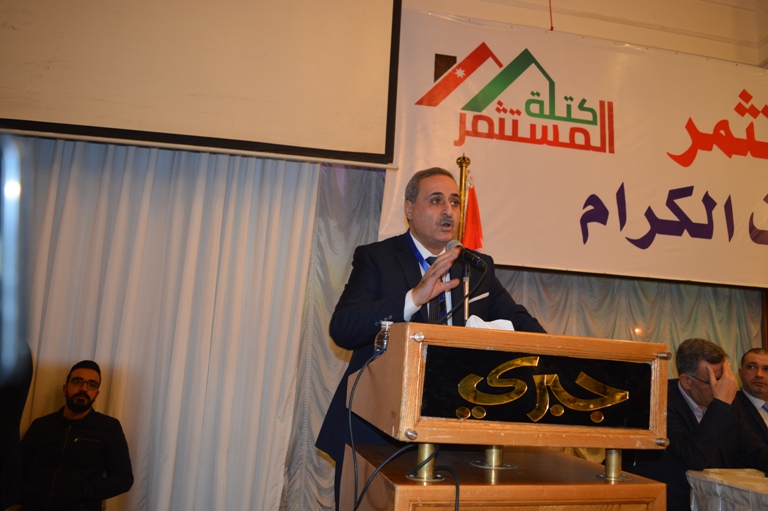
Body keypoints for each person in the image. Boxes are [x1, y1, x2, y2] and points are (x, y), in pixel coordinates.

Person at [316, 167, 546, 509]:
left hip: (453, 431)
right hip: (377, 430)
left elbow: (521, 322)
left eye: (454, 202)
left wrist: (560, 350)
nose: (448, 211)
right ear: (409, 209)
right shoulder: (377, 258)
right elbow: (344, 328)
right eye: (436, 201)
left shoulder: (476, 267)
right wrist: (413, 298)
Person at [623, 338, 768, 511]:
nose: (721, 387)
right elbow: (694, 457)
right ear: (686, 381)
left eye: (723, 378)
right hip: (671, 501)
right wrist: (720, 405)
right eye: (712, 381)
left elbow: (754, 450)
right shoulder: (658, 400)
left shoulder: (730, 401)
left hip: (716, 499)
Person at [19, 360, 133, 511]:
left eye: (92, 384)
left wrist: (84, 490)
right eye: (77, 381)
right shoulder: (41, 425)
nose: (84, 388)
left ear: (96, 394)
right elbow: (17, 467)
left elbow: (123, 478)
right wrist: (26, 493)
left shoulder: (108, 427)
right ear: (65, 389)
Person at [737, 347, 768, 444]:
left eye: (766, 369)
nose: (759, 374)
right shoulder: (732, 407)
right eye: (751, 367)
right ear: (740, 373)